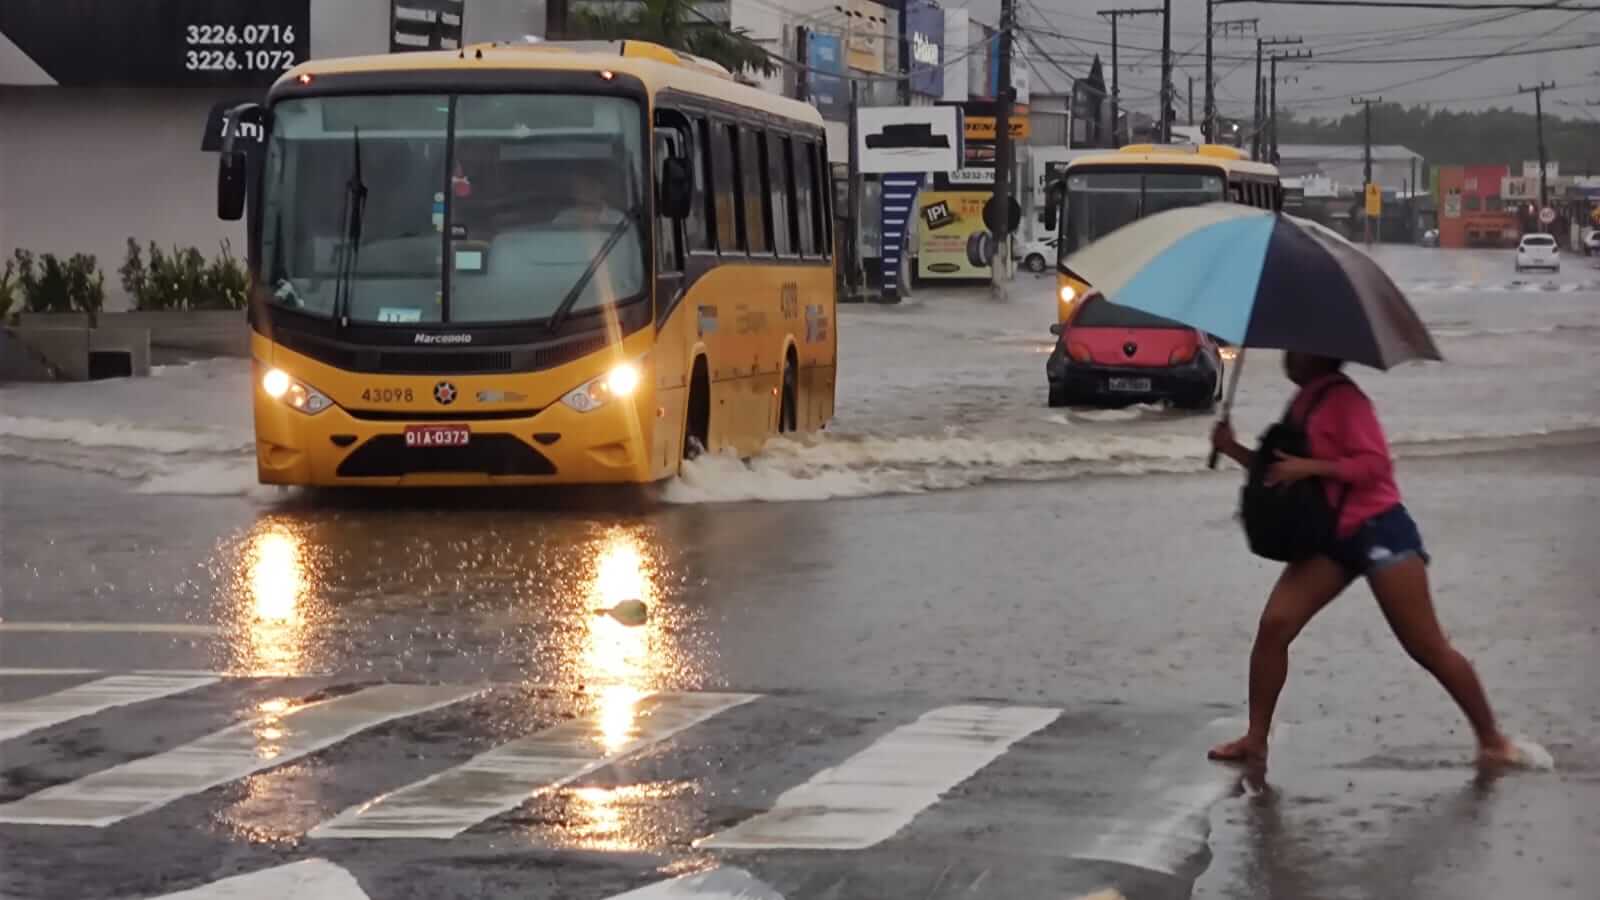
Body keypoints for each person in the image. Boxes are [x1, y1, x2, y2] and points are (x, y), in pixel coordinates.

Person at [1207, 351, 1521, 770]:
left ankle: (1493, 739)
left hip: (1378, 528)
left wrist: (1310, 466)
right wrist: (1232, 449)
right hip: (1330, 535)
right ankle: (1255, 739)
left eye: (1296, 350)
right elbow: (1282, 471)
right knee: (1274, 626)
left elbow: (1374, 465)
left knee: (1425, 645)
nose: (1288, 357)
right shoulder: (1303, 401)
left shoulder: (1347, 401)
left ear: (1319, 355)